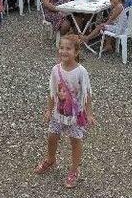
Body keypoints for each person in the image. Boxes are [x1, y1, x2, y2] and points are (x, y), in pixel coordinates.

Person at [34, 35, 95, 189]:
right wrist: (49, 110)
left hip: (75, 115)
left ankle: (74, 169)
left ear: (76, 52)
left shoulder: (81, 71)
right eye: (61, 48)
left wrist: (89, 113)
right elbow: (52, 91)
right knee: (52, 137)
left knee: (75, 141)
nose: (64, 51)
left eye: (68, 48)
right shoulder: (55, 70)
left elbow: (87, 93)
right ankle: (51, 159)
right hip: (58, 112)